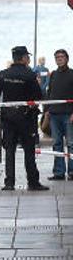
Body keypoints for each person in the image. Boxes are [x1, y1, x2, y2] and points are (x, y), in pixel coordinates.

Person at [0, 46, 48, 191]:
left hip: (8, 117)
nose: (28, 59)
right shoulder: (29, 75)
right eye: (27, 56)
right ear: (22, 58)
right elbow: (38, 96)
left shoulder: (3, 74)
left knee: (9, 150)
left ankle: (9, 183)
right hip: (26, 117)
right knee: (29, 150)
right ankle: (33, 182)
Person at [45, 49, 73, 181]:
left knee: (71, 144)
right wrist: (47, 110)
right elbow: (49, 93)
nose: (59, 59)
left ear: (67, 58)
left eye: (61, 57)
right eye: (57, 57)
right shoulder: (53, 75)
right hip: (54, 114)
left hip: (68, 114)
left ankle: (72, 172)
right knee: (57, 144)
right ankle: (59, 173)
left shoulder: (72, 74)